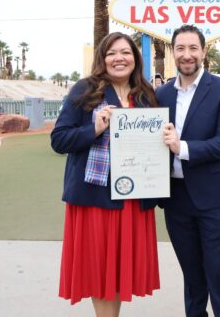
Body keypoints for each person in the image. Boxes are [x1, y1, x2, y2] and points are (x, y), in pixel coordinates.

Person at [50, 32, 160, 317]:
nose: (118, 58)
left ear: (135, 59)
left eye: (125, 52)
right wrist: (95, 128)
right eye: (112, 53)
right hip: (96, 198)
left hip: (134, 197)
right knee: (101, 271)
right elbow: (60, 140)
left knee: (120, 270)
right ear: (102, 58)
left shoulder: (146, 95)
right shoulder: (85, 89)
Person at [156, 25, 220, 317]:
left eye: (193, 48)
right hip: (175, 197)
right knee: (191, 274)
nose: (187, 54)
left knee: (217, 270)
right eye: (181, 48)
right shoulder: (161, 94)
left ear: (204, 52)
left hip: (215, 197)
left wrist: (183, 148)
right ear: (173, 53)